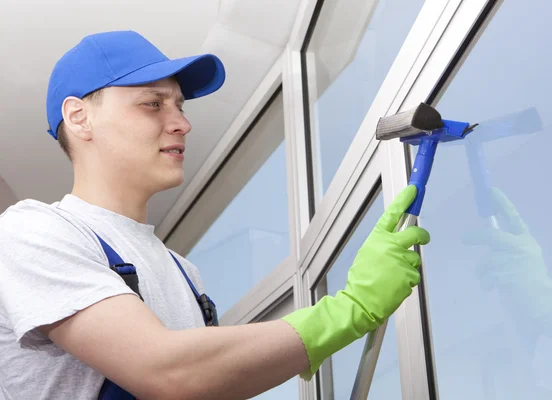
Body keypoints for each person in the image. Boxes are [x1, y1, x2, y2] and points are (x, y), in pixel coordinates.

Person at [0, 30, 431, 400]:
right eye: (153, 104)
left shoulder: (184, 273)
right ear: (78, 117)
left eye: (180, 107)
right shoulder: (32, 232)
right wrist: (350, 310)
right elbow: (168, 372)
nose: (182, 124)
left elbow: (210, 377)